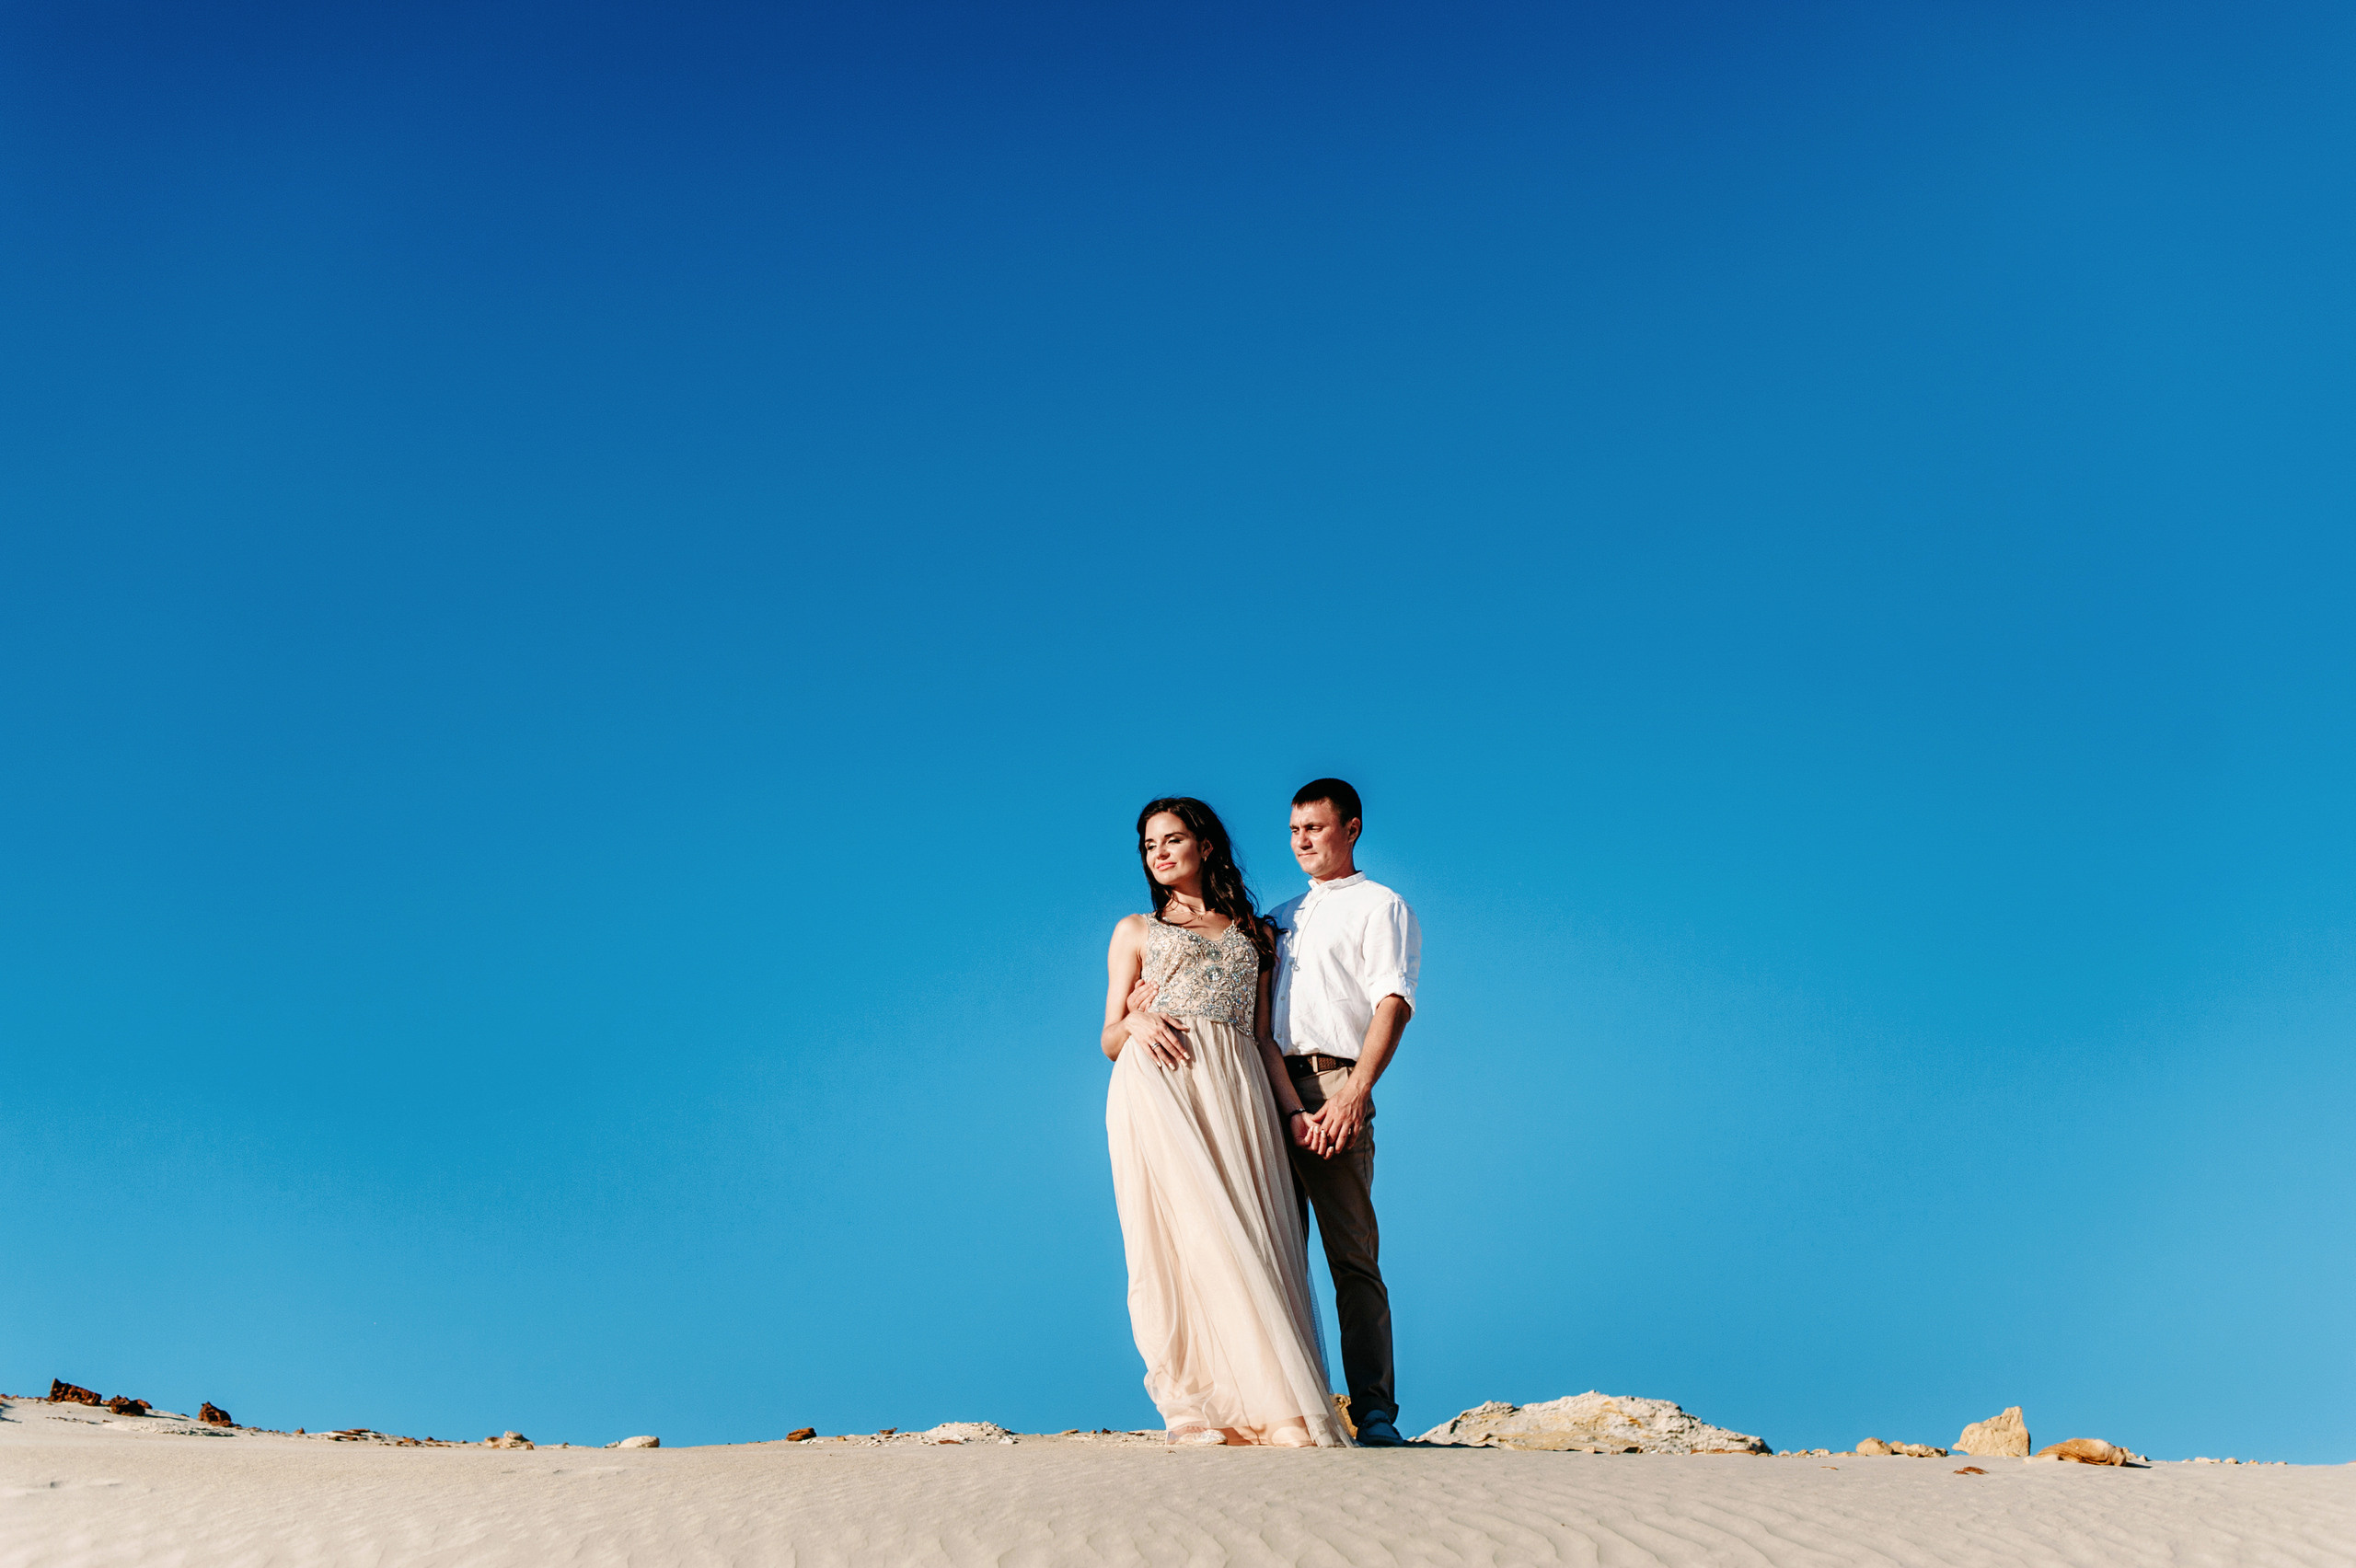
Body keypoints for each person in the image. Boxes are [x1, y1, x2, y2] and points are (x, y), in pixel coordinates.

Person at [1100, 797, 1350, 1447]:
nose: (1158, 853)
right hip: (1161, 1086)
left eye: (1172, 839)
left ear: (1206, 846)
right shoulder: (1134, 930)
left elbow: (1264, 1037)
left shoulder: (1258, 934)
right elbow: (1105, 1037)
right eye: (1149, 844)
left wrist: (1294, 1114)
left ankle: (1278, 1409)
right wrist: (1134, 1020)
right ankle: (1191, 1410)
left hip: (1237, 1088)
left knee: (1254, 1237)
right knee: (1179, 1239)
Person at [1266, 778, 1419, 1447]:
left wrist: (1356, 1091)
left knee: (1351, 1257)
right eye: (1295, 829)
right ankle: (1285, 1407)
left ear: (1351, 829)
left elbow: (1393, 1002)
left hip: (1334, 1087)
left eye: (1316, 828)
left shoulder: (1380, 905)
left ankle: (1375, 1412)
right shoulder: (1276, 916)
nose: (1303, 840)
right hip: (1265, 1091)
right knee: (1267, 1253)